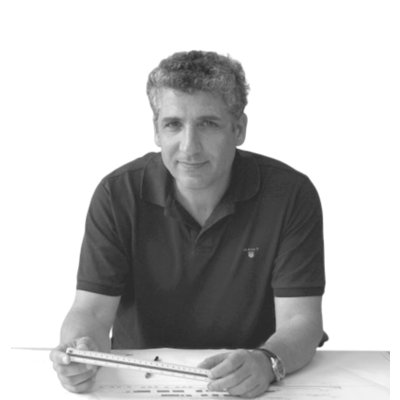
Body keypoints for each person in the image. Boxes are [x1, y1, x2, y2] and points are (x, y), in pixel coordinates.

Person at [50, 50, 327, 398]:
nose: (189, 147)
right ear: (156, 131)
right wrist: (79, 350)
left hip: (251, 385)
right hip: (140, 383)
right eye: (173, 124)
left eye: (208, 124)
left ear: (239, 129)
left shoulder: (290, 194)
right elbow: (89, 311)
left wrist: (268, 361)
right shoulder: (117, 194)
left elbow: (302, 321)